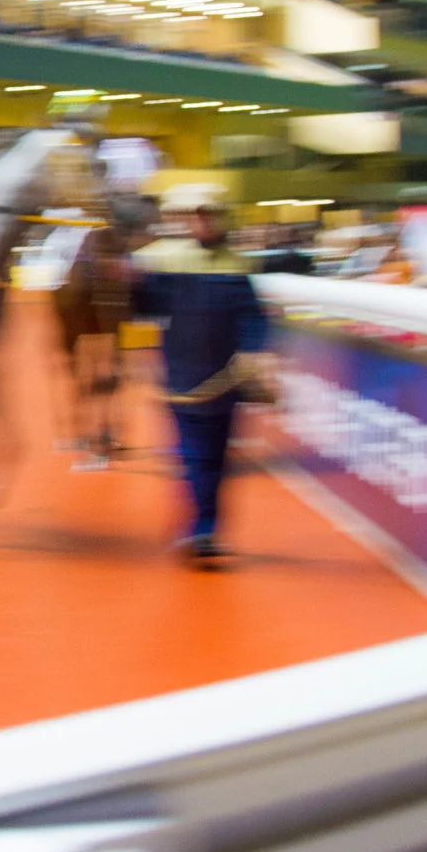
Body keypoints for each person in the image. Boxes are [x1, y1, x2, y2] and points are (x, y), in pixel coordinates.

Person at [131, 185, 271, 566]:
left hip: (225, 382)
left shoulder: (238, 268)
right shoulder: (166, 266)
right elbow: (141, 305)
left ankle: (204, 529)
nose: (203, 222)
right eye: (197, 215)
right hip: (181, 379)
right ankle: (200, 531)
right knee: (194, 457)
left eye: (210, 215)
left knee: (218, 459)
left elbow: (254, 319)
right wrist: (124, 276)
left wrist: (252, 354)